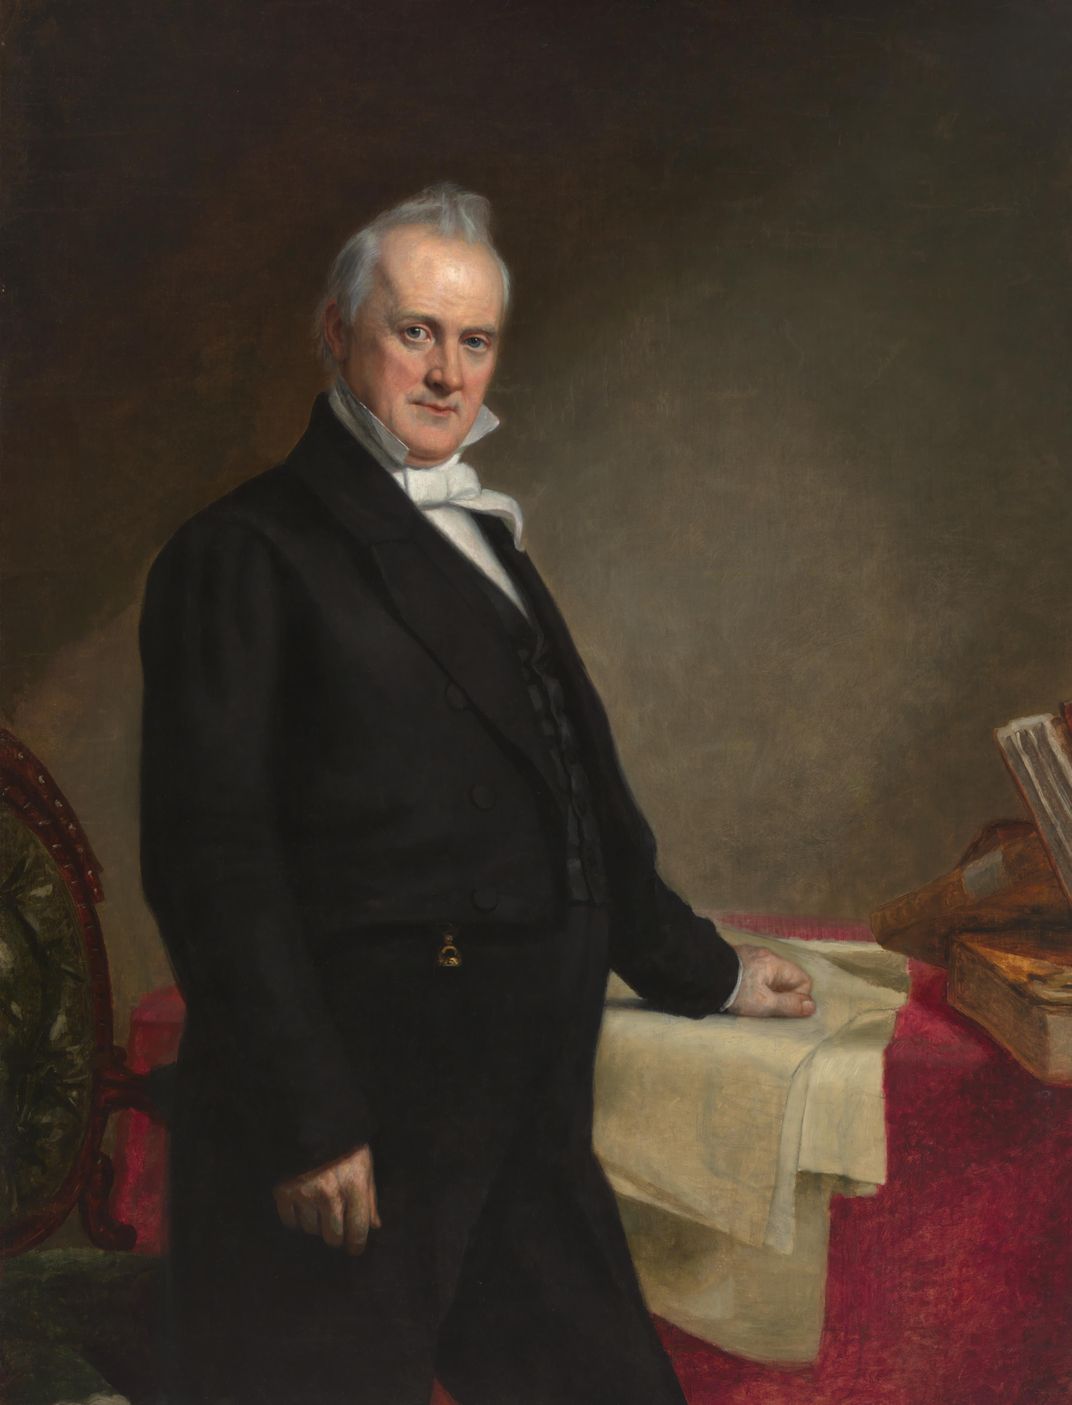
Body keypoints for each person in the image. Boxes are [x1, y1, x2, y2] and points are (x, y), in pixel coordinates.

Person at [139, 183, 815, 1405]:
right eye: (415, 332)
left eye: (476, 340)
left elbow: (577, 799)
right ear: (336, 332)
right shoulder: (243, 552)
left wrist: (705, 971)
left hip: (523, 1104)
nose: (449, 374)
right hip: (364, 1119)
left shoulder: (489, 541)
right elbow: (210, 857)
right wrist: (308, 1118)